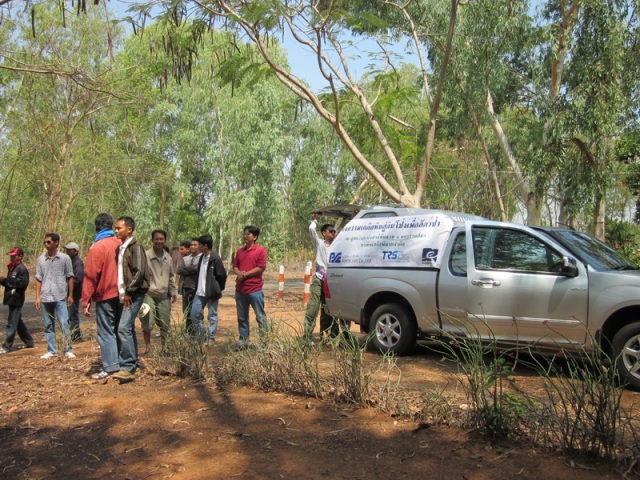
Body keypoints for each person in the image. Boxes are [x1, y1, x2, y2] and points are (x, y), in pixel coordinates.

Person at [82, 213, 123, 379]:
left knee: (106, 331)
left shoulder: (97, 247)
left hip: (105, 294)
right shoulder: (121, 243)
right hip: (122, 294)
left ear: (96, 228)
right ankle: (124, 363)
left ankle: (111, 366)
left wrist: (86, 299)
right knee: (121, 329)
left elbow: (91, 275)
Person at [303, 214, 350, 344]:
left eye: (335, 231)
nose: (334, 233)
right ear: (324, 233)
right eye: (331, 231)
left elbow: (347, 233)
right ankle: (307, 336)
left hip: (333, 281)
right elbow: (311, 230)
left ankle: (329, 336)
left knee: (329, 309)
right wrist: (315, 220)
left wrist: (351, 219)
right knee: (313, 307)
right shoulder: (320, 244)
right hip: (319, 279)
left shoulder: (337, 246)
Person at [114, 216, 149, 379]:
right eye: (115, 228)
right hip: (125, 294)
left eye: (119, 228)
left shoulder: (136, 248)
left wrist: (129, 291)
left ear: (129, 229)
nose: (116, 231)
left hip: (135, 293)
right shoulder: (120, 248)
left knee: (123, 327)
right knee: (128, 327)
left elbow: (139, 272)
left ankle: (127, 366)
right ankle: (132, 362)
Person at [35, 233, 76, 360]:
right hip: (46, 296)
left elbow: (70, 277)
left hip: (60, 295)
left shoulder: (65, 258)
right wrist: (37, 297)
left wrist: (70, 295)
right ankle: (52, 350)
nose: (46, 244)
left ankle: (68, 349)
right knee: (48, 325)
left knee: (64, 323)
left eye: (48, 242)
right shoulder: (41, 260)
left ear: (56, 242)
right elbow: (38, 278)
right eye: (45, 242)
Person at [232, 226, 268, 350]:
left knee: (260, 316)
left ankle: (264, 343)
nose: (245, 236)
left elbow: (261, 267)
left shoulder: (260, 251)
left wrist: (245, 274)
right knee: (242, 317)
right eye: (244, 234)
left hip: (255, 290)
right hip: (240, 290)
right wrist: (238, 273)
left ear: (255, 237)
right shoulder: (240, 251)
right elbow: (235, 266)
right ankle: (243, 341)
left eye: (248, 234)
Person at [141, 229, 177, 352]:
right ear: (152, 240)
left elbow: (171, 276)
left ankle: (165, 348)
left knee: (165, 323)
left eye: (161, 239)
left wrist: (173, 291)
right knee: (147, 322)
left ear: (165, 240)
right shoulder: (146, 256)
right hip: (148, 294)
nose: (159, 241)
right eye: (157, 239)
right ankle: (148, 348)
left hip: (163, 295)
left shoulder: (168, 257)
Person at [190, 235, 227, 341]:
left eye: (199, 245)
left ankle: (211, 336)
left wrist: (217, 288)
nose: (197, 247)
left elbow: (222, 275)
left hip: (212, 292)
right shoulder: (202, 257)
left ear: (205, 246)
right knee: (194, 314)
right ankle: (202, 334)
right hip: (199, 292)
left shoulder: (215, 258)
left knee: (212, 315)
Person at [0, 247, 35, 353]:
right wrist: (3, 281)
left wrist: (6, 280)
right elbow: (10, 283)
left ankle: (7, 346)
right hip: (11, 298)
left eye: (14, 256)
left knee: (12, 322)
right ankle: (29, 341)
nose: (11, 257)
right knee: (17, 321)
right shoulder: (13, 268)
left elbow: (21, 284)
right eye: (11, 256)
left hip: (17, 299)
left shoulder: (22, 269)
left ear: (20, 256)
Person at [176, 239, 200, 332]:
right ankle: (188, 331)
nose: (192, 247)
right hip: (186, 288)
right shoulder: (185, 259)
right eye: (191, 245)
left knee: (196, 311)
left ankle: (197, 331)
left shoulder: (201, 258)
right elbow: (179, 270)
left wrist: (187, 269)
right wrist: (191, 270)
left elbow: (197, 269)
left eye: (195, 245)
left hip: (196, 288)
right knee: (186, 311)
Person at [63, 242, 84, 342]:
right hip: (68, 293)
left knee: (72, 315)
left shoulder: (77, 263)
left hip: (74, 294)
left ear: (75, 251)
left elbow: (78, 279)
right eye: (66, 249)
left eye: (69, 250)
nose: (67, 251)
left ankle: (76, 336)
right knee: (69, 314)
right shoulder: (69, 261)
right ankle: (73, 335)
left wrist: (67, 285)